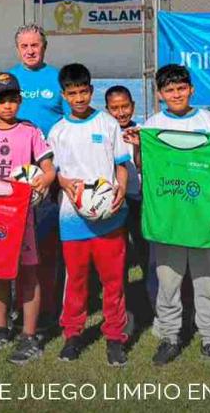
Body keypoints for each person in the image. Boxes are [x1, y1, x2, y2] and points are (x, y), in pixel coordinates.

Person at [125, 64, 210, 367]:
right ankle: (170, 337)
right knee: (168, 283)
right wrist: (138, 147)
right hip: (169, 220)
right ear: (160, 94)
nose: (176, 94)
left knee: (206, 283)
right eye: (169, 90)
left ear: (191, 89)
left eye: (181, 88)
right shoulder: (153, 124)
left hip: (204, 220)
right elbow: (146, 169)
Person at [48, 63, 132, 367]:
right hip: (73, 219)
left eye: (84, 92)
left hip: (110, 217)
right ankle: (72, 335)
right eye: (73, 93)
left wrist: (121, 186)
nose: (79, 98)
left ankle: (114, 338)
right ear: (64, 95)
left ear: (91, 91)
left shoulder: (108, 124)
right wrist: (63, 182)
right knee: (77, 281)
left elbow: (122, 162)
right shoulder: (58, 131)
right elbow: (53, 172)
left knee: (113, 281)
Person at [0, 72, 56, 365]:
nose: (7, 105)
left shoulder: (31, 132)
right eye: (1, 100)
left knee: (28, 274)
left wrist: (43, 181)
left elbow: (48, 168)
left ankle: (29, 336)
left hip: (23, 216)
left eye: (12, 99)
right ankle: (0, 328)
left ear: (19, 100)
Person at [0, 24, 68, 331]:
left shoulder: (57, 77)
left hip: (48, 173)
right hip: (14, 177)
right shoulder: (7, 79)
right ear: (17, 49)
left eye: (35, 45)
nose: (31, 50)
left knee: (46, 246)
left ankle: (47, 308)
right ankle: (10, 310)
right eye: (25, 46)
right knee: (9, 245)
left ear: (44, 47)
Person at [105, 85, 154, 315]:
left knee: (146, 252)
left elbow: (143, 165)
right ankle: (121, 308)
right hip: (115, 202)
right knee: (118, 256)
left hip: (140, 201)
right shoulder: (105, 132)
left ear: (133, 106)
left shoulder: (143, 131)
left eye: (125, 106)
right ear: (107, 110)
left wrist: (138, 147)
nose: (121, 112)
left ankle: (153, 303)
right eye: (115, 108)